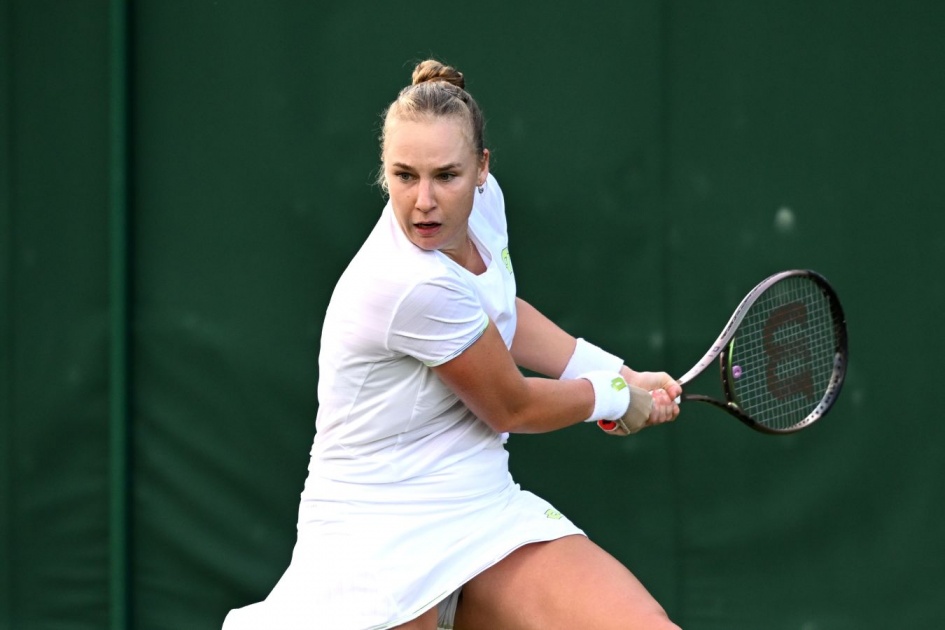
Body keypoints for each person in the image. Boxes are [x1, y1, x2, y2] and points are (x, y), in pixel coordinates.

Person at [223, 59, 683, 630]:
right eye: (404, 176)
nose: (424, 200)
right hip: (373, 544)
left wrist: (618, 372)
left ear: (482, 168)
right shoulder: (408, 283)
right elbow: (512, 406)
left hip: (480, 510)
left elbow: (499, 313)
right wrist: (611, 397)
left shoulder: (485, 209)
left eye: (446, 175)